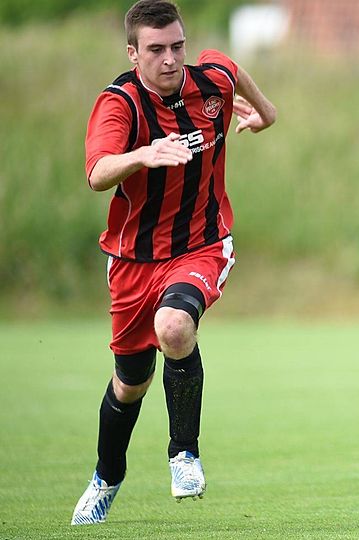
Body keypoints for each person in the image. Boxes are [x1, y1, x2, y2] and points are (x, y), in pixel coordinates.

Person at [71, 0, 276, 525]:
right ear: (133, 53)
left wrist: (264, 113)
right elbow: (97, 172)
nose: (170, 59)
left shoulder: (212, 81)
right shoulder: (121, 104)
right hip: (133, 260)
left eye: (177, 46)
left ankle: (183, 453)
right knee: (129, 382)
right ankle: (106, 478)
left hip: (202, 244)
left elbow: (233, 70)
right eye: (156, 49)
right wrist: (143, 154)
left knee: (175, 326)